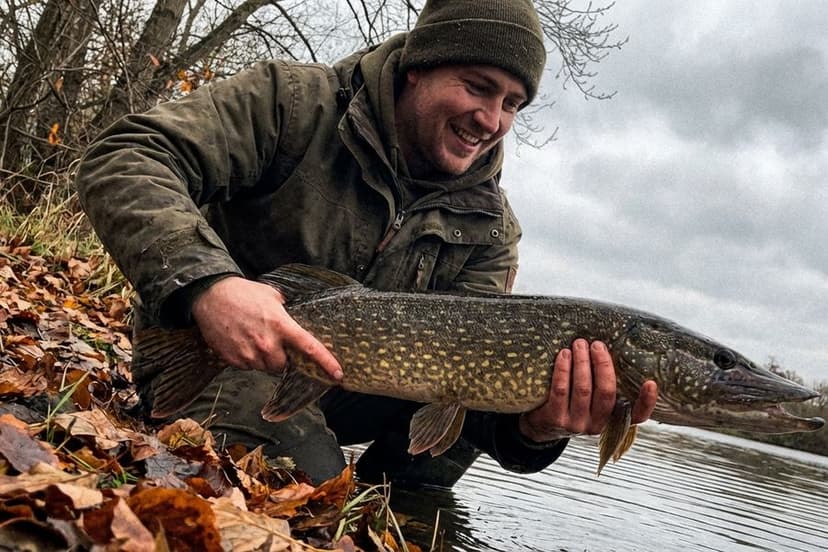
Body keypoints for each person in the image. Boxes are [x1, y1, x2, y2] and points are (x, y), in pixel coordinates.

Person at [76, 0, 658, 488]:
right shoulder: (292, 103)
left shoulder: (491, 226)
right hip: (227, 356)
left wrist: (537, 430)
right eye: (478, 88)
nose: (492, 120)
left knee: (455, 435)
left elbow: (477, 399)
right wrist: (210, 286)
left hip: (362, 386)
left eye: (512, 104)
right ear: (418, 68)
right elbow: (128, 156)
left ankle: (395, 512)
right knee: (311, 486)